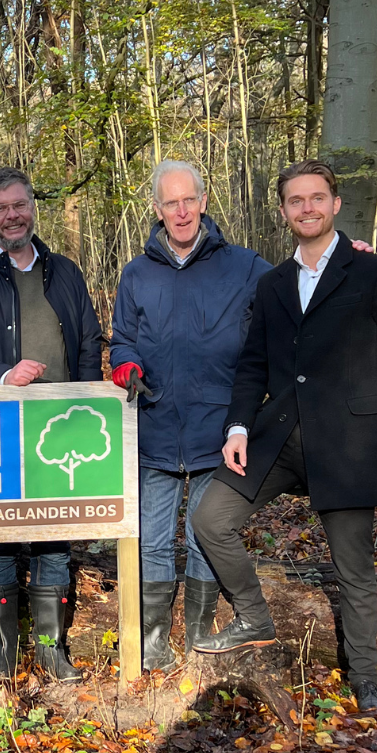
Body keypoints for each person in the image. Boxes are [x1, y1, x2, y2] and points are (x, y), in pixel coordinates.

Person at [187, 160, 377, 712]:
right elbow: (252, 365)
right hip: (280, 439)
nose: (307, 208)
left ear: (335, 204)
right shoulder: (273, 285)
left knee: (353, 567)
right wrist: (239, 426)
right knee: (210, 518)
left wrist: (359, 403)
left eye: (317, 198)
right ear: (283, 211)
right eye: (296, 201)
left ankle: (364, 677)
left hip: (347, 443)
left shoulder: (374, 273)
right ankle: (254, 617)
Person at [109, 160, 272, 672]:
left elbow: (297, 291)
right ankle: (155, 638)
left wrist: (347, 258)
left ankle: (200, 631)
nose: (180, 211)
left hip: (218, 431)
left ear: (203, 202)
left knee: (204, 536)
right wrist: (124, 364)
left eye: (188, 200)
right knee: (153, 540)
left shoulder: (244, 267)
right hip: (154, 428)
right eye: (169, 202)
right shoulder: (136, 274)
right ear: (156, 210)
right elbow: (122, 340)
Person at [0, 166, 105, 682]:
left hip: (59, 425)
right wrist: (3, 375)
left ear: (32, 206)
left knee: (54, 540)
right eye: (0, 208)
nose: (11, 216)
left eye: (19, 205)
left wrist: (87, 403)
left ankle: (49, 649)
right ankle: (3, 653)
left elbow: (87, 342)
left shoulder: (67, 272)